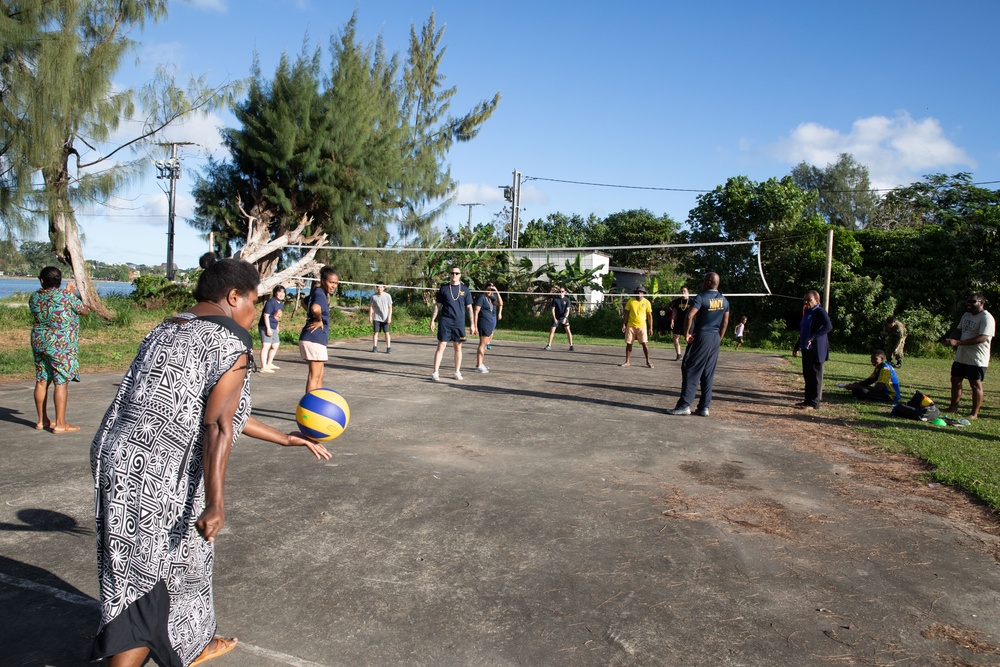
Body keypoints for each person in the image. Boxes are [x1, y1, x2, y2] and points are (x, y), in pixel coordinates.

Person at [89, 253, 331, 667]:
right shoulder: (230, 342)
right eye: (254, 301)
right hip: (158, 475)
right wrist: (216, 502)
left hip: (116, 458)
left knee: (162, 567)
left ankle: (192, 642)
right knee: (149, 585)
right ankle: (153, 647)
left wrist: (286, 439)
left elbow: (222, 409)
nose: (255, 312)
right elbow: (218, 424)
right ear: (234, 296)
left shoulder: (167, 327)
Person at [29, 266, 89, 433]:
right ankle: (61, 423)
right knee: (60, 382)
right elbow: (84, 310)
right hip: (60, 344)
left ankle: (42, 421)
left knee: (42, 380)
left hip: (39, 341)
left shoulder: (34, 297)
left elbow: (48, 304)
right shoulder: (66, 297)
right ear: (60, 281)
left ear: (42, 281)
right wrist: (70, 293)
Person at [667, 272, 730, 416]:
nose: (702, 283)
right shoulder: (724, 300)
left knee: (690, 368)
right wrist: (719, 338)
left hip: (702, 336)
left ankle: (684, 405)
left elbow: (689, 315)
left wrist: (686, 334)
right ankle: (704, 407)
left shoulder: (701, 298)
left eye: (703, 280)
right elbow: (725, 322)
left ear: (708, 282)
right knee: (708, 372)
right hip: (714, 338)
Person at [944, 293, 994, 419]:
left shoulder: (986, 318)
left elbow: (982, 338)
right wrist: (951, 338)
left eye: (973, 302)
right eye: (968, 301)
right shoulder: (966, 315)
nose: (969, 304)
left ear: (981, 303)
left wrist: (958, 342)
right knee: (955, 380)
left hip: (977, 358)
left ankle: (974, 413)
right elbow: (959, 330)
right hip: (962, 356)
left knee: (975, 384)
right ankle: (953, 407)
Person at [430, 267, 476, 381]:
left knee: (458, 347)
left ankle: (457, 371)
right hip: (445, 321)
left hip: (459, 323)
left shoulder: (465, 290)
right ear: (450, 275)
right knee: (441, 346)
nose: (454, 275)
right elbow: (437, 305)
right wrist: (432, 320)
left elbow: (469, 308)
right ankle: (435, 372)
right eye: (452, 273)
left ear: (460, 275)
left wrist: (473, 324)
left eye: (456, 273)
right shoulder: (444, 288)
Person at [299, 266, 338, 393]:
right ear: (323, 280)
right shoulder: (320, 294)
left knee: (320, 375)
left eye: (336, 283)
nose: (333, 286)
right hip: (313, 338)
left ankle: (317, 404)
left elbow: (304, 302)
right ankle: (310, 408)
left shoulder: (318, 292)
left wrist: (312, 316)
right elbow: (315, 308)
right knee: (314, 376)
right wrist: (318, 319)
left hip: (315, 338)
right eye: (331, 282)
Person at [793, 290, 833, 410]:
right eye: (804, 300)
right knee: (807, 374)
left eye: (809, 300)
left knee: (815, 376)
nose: (806, 302)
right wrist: (797, 346)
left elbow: (828, 326)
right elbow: (803, 331)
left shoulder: (820, 311)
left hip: (817, 349)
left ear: (817, 300)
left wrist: (813, 336)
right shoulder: (807, 312)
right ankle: (807, 400)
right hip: (806, 348)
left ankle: (814, 403)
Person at [621, 286, 654, 368]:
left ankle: (648, 361)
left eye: (641, 292)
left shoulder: (647, 302)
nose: (639, 294)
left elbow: (649, 315)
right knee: (629, 343)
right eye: (638, 292)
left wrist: (651, 327)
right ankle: (627, 361)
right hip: (631, 325)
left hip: (642, 326)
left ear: (643, 294)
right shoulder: (631, 301)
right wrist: (624, 324)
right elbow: (626, 313)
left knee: (644, 343)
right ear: (635, 293)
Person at [474, 282, 503, 373]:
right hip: (484, 323)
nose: (490, 291)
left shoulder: (490, 298)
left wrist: (496, 291)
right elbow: (476, 312)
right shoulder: (482, 298)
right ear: (485, 289)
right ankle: (479, 365)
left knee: (485, 344)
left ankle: (480, 363)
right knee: (482, 344)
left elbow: (500, 303)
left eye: (491, 290)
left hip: (490, 323)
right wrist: (475, 325)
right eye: (488, 289)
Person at [258, 284, 285, 373]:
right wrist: (268, 329)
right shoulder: (271, 302)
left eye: (283, 292)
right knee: (266, 346)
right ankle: (264, 367)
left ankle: (269, 363)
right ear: (275, 293)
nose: (281, 294)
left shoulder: (280, 303)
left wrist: (277, 326)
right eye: (279, 292)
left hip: (273, 326)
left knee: (275, 345)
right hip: (265, 326)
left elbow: (277, 316)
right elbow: (266, 316)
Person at [545, 286, 574, 351]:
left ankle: (571, 345)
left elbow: (567, 310)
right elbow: (553, 309)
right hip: (556, 318)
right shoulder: (555, 300)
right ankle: (549, 345)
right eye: (559, 291)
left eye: (562, 291)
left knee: (568, 330)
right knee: (552, 330)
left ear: (565, 292)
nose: (560, 293)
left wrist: (565, 318)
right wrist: (554, 318)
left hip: (564, 317)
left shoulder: (567, 300)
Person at [668, 287, 692, 361]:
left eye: (684, 291)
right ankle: (679, 355)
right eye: (682, 291)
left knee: (688, 338)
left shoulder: (692, 301)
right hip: (679, 322)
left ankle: (689, 355)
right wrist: (672, 320)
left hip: (688, 323)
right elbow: (674, 311)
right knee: (675, 336)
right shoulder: (678, 301)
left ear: (688, 292)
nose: (683, 292)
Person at [369, 281, 393, 353]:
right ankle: (375, 347)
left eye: (381, 287)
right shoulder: (373, 296)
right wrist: (370, 316)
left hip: (385, 318)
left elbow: (390, 307)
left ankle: (388, 347)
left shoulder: (388, 296)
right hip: (377, 318)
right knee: (376, 332)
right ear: (376, 288)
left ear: (384, 288)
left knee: (386, 333)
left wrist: (389, 317)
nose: (380, 288)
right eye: (378, 287)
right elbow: (371, 307)